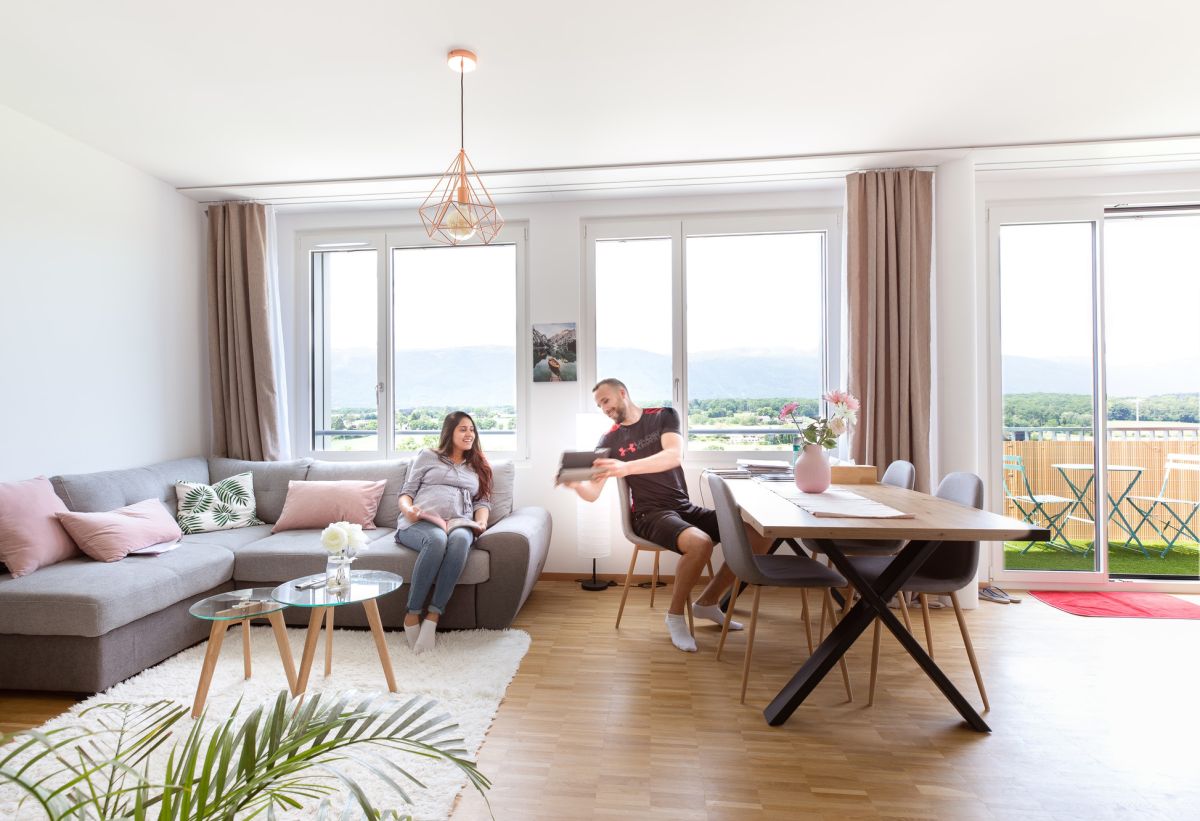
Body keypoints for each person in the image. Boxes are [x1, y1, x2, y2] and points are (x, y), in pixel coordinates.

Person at [563, 378, 772, 652]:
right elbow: (593, 493)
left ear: (622, 393)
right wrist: (576, 484)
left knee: (757, 533)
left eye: (606, 400)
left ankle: (708, 602)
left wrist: (625, 467)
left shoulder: (663, 416)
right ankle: (674, 617)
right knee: (700, 543)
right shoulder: (609, 440)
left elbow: (673, 455)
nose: (603, 408)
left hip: (683, 508)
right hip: (649, 515)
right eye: (599, 404)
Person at [395, 411, 492, 654]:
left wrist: (481, 523)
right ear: (449, 432)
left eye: (471, 429)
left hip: (459, 522)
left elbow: (482, 502)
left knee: (459, 542)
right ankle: (412, 614)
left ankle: (434, 615)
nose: (469, 433)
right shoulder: (428, 456)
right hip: (422, 522)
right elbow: (406, 492)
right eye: (463, 429)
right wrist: (408, 511)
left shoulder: (478, 465)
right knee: (437, 541)